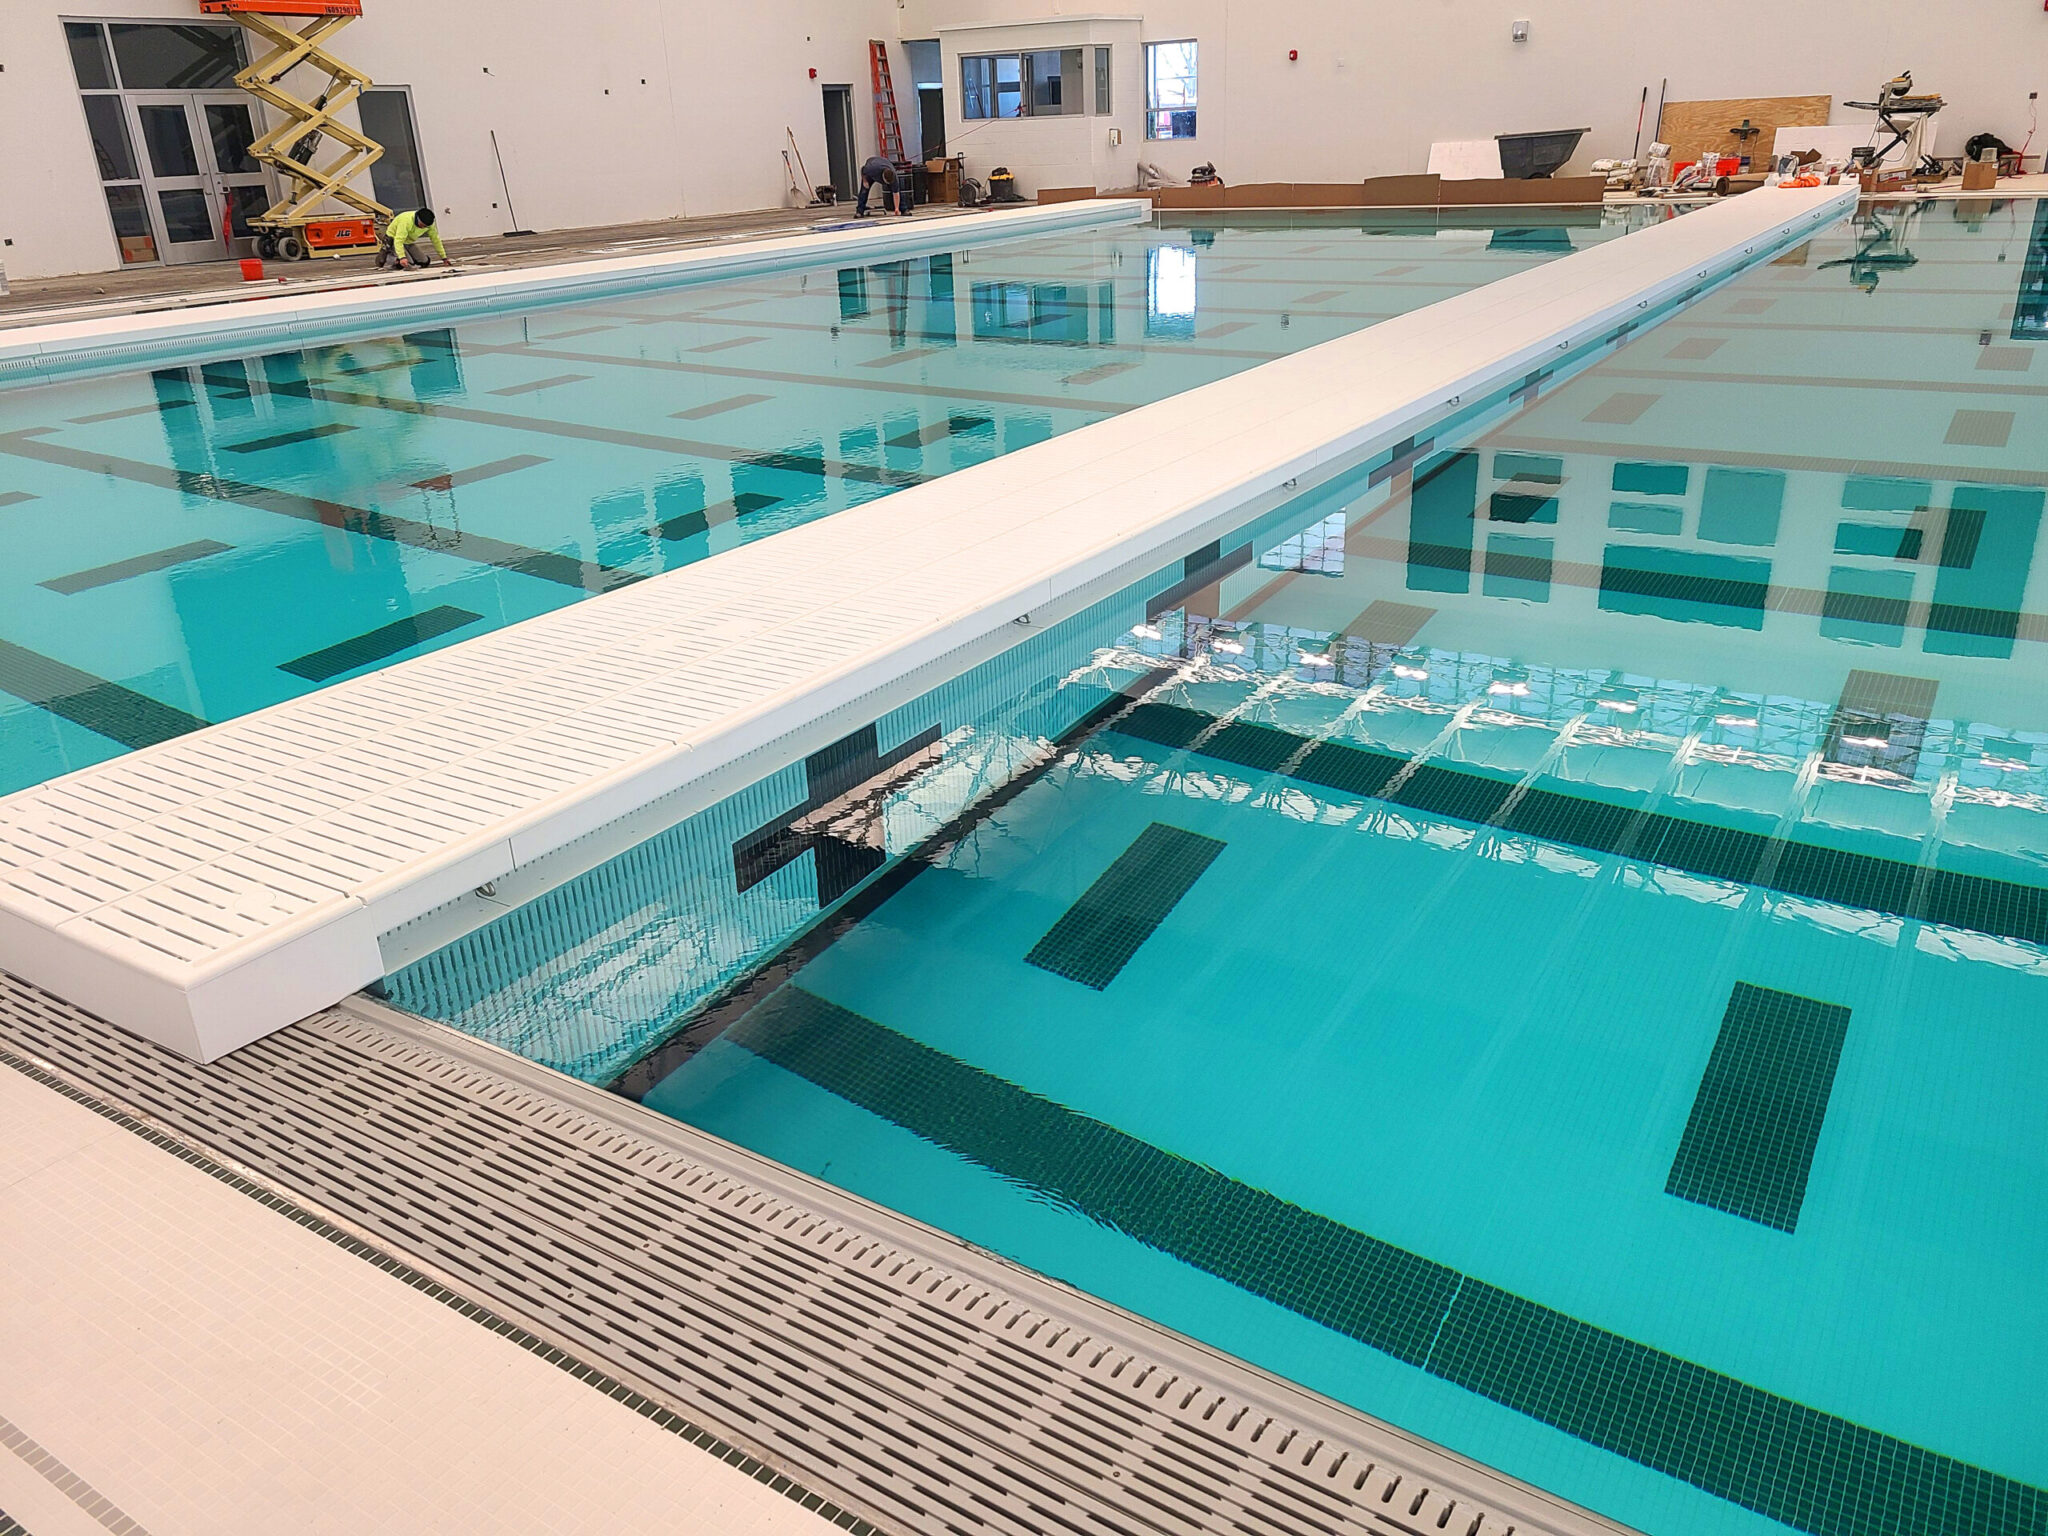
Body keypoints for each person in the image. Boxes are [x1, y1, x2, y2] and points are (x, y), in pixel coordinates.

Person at [377, 206, 447, 270]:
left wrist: (443, 257)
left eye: (426, 226)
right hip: (393, 240)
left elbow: (435, 240)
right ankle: (389, 257)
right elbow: (398, 241)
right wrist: (402, 257)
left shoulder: (429, 225)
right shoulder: (406, 221)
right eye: (422, 225)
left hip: (408, 242)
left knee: (424, 262)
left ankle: (406, 257)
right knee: (407, 264)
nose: (423, 227)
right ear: (417, 219)